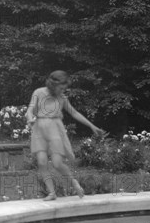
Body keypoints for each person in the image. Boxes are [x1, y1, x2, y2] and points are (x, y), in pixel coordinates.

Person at [26, 70, 106, 200]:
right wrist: (30, 118)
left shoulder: (62, 98)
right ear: (53, 84)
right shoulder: (38, 93)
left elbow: (74, 113)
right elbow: (30, 109)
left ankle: (74, 182)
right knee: (41, 162)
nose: (63, 90)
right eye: (61, 87)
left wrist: (91, 125)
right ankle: (52, 193)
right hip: (39, 129)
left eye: (65, 88)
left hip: (55, 129)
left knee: (57, 163)